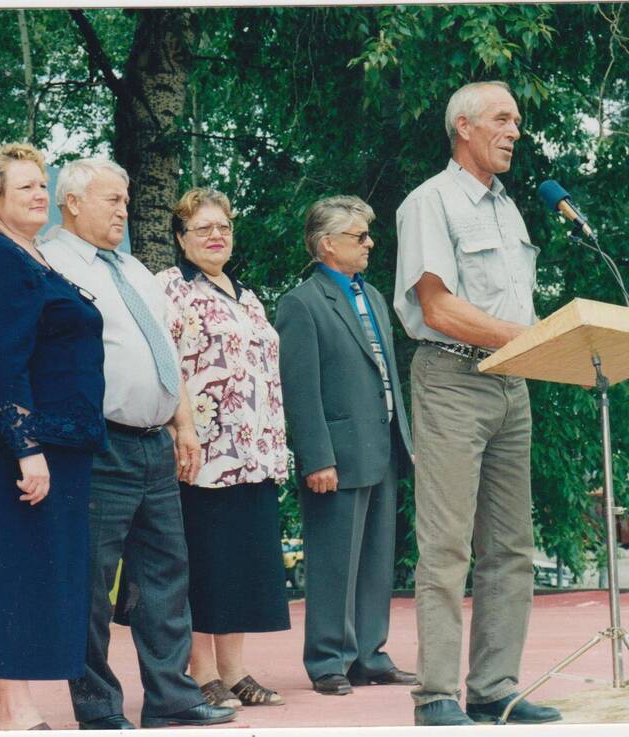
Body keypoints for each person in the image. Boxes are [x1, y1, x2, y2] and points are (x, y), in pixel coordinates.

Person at [39, 159, 235, 730]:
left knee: (165, 576)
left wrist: (185, 425)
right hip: (98, 444)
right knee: (92, 584)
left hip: (154, 442)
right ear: (72, 203)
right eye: (111, 200)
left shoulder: (135, 270)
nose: (124, 209)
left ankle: (171, 698)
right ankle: (98, 708)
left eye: (126, 199)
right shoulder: (51, 264)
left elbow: (164, 354)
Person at [393, 81, 561, 726]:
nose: (514, 130)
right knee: (446, 546)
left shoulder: (508, 209)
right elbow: (438, 307)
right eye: (502, 118)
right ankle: (436, 694)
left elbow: (512, 305)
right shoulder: (429, 202)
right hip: (452, 380)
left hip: (511, 385)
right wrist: (536, 338)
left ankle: (494, 687)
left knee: (512, 546)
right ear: (463, 126)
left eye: (517, 119)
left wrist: (543, 343)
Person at [0, 142, 106, 730]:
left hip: (51, 444)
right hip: (7, 451)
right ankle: (15, 714)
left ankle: (14, 713)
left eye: (44, 185)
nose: (41, 195)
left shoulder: (31, 257)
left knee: (36, 577)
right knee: (12, 575)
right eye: (26, 188)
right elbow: (1, 362)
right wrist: (27, 448)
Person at [154, 187, 291, 708]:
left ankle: (234, 671)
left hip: (252, 452)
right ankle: (201, 672)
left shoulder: (247, 294)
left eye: (224, 227)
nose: (216, 236)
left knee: (237, 564)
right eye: (203, 228)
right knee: (203, 563)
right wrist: (181, 428)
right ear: (181, 238)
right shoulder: (170, 287)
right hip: (201, 452)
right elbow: (167, 363)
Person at [276, 195, 417, 697]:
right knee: (335, 561)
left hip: (382, 446)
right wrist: (317, 457)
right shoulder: (301, 302)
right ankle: (328, 660)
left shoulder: (373, 296)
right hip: (335, 455)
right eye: (360, 236)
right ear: (326, 244)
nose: (370, 244)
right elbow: (300, 388)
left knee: (377, 560)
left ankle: (369, 655)